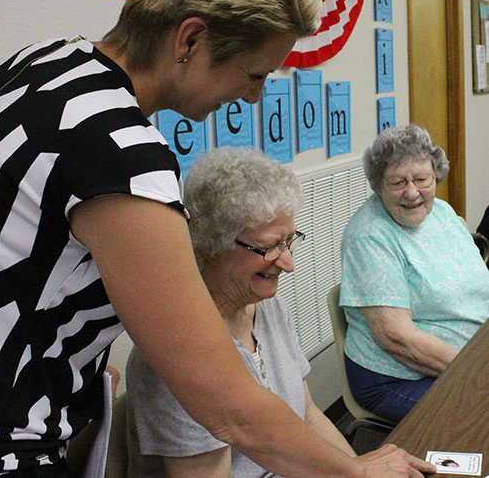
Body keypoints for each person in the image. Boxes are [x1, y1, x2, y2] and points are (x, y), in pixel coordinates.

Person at [0, 0, 435, 474]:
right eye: (253, 74)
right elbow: (229, 411)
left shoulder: (45, 63)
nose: (252, 96)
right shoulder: (122, 154)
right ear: (190, 40)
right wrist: (360, 471)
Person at [126, 147, 359, 476]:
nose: (289, 264)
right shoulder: (174, 355)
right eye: (268, 247)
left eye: (290, 240)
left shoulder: (268, 306)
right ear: (210, 247)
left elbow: (306, 415)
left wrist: (359, 470)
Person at [340, 124, 489, 424]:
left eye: (422, 179)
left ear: (436, 176)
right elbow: (397, 338)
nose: (411, 192)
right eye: (397, 182)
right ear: (378, 184)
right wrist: (477, 372)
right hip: (399, 377)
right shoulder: (370, 236)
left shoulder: (443, 213)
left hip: (473, 351)